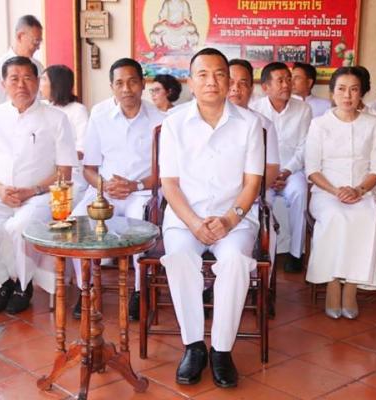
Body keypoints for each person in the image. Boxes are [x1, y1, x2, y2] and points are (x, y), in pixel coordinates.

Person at [159, 48, 264, 388]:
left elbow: (252, 183)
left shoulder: (250, 124)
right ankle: (193, 346)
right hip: (184, 217)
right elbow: (169, 184)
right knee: (179, 257)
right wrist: (193, 223)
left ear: (229, 81)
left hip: (235, 218)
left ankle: (221, 349)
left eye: (219, 74)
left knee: (234, 261)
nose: (211, 81)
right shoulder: (174, 124)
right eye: (202, 74)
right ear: (190, 82)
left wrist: (229, 220)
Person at [0, 56, 77, 314]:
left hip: (39, 194)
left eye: (27, 78)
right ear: (3, 84)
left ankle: (23, 286)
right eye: (14, 79)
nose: (21, 85)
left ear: (37, 81)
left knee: (19, 227)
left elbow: (65, 172)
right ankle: (1, 283)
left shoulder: (56, 118)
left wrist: (32, 190)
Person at [71, 58, 164, 320]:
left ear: (143, 84)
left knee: (139, 222)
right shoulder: (99, 115)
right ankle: (87, 289)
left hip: (142, 192)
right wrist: (105, 186)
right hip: (104, 192)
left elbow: (166, 172)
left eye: (132, 82)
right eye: (120, 83)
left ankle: (139, 291)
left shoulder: (160, 119)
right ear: (111, 86)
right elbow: (89, 168)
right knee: (77, 224)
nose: (126, 89)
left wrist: (135, 185)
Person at [305, 66, 376, 319]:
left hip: (363, 192)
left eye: (354, 89)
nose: (347, 95)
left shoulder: (374, 124)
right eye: (341, 89)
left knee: (368, 216)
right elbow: (312, 169)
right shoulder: (319, 124)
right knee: (336, 217)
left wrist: (359, 190)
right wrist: (336, 191)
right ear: (332, 92)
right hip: (326, 192)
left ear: (362, 93)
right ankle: (333, 283)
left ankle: (351, 287)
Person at [251, 62, 312, 273]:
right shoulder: (255, 110)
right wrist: (268, 174)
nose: (286, 84)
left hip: (291, 170)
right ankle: (261, 252)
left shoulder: (303, 109)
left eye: (289, 79)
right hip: (263, 172)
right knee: (261, 198)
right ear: (265, 87)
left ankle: (296, 254)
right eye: (280, 80)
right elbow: (253, 148)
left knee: (300, 192)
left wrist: (286, 171)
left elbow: (304, 146)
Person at [39, 65, 89, 205]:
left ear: (56, 83)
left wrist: (58, 159)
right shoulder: (40, 107)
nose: (39, 83)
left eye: (44, 79)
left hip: (70, 173)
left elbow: (83, 150)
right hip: (41, 171)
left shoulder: (77, 110)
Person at [228, 59, 279, 187]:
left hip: (251, 194)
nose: (235, 88)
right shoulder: (207, 119)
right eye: (230, 82)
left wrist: (249, 194)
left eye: (243, 83)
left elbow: (272, 167)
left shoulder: (264, 124)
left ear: (251, 89)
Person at [0, 15, 43, 109]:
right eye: (35, 42)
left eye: (39, 42)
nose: (38, 47)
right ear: (20, 36)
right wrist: (10, 115)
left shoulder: (38, 66)